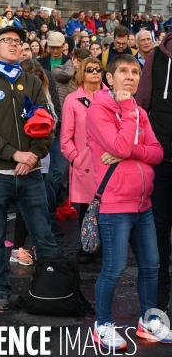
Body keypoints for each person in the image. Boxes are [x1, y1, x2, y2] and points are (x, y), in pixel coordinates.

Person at [0, 27, 58, 310]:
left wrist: (32, 155)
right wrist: (14, 154)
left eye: (19, 42)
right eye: (7, 41)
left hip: (29, 173)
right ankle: (0, 290)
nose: (14, 45)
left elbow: (46, 124)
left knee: (44, 235)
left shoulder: (31, 82)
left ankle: (52, 288)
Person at [86, 55, 172, 348]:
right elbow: (119, 145)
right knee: (114, 268)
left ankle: (149, 321)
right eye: (123, 71)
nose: (131, 76)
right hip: (114, 204)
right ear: (109, 78)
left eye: (136, 72)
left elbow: (157, 153)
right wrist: (128, 121)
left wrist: (131, 151)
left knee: (151, 265)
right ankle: (104, 324)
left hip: (143, 203)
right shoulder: (99, 111)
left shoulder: (137, 112)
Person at [135, 32, 172, 314]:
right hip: (160, 160)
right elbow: (143, 105)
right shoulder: (156, 56)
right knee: (158, 229)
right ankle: (158, 301)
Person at [10, 59, 59, 265]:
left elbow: (53, 122)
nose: (35, 84)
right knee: (28, 205)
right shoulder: (16, 98)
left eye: (39, 80)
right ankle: (18, 248)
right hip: (25, 157)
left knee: (41, 204)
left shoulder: (45, 94)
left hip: (43, 155)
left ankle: (37, 246)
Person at [60, 57, 108, 264]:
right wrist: (75, 159)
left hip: (108, 160)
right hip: (84, 162)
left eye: (98, 69)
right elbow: (65, 137)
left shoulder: (111, 96)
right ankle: (86, 246)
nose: (95, 72)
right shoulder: (72, 99)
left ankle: (103, 246)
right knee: (86, 207)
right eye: (90, 69)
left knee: (107, 207)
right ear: (82, 73)